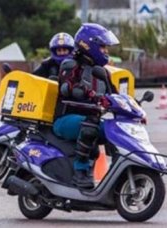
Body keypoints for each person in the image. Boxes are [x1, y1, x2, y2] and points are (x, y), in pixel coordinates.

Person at [52, 23, 120, 188]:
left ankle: (119, 172)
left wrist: (131, 105)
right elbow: (68, 87)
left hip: (91, 119)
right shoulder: (71, 65)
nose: (106, 51)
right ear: (89, 44)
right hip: (64, 119)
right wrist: (89, 94)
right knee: (90, 126)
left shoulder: (102, 72)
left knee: (116, 130)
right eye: (103, 47)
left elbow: (115, 95)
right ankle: (80, 171)